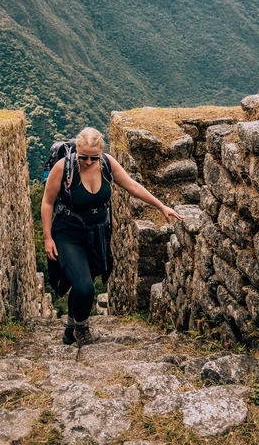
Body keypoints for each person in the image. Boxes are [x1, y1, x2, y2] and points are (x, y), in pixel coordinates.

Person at [41, 126, 184, 348]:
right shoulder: (63, 168)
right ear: (76, 151)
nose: (88, 162)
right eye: (83, 157)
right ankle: (82, 330)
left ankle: (69, 330)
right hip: (67, 233)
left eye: (93, 157)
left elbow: (133, 187)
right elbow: (48, 202)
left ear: (101, 152)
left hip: (97, 233)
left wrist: (161, 206)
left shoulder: (107, 164)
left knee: (84, 282)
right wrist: (48, 238)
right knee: (84, 287)